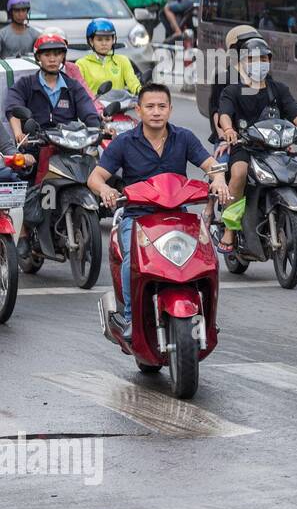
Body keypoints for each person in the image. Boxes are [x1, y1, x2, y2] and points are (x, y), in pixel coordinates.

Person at [88, 83, 229, 334]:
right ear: (139, 110)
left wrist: (218, 179)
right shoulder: (124, 142)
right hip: (138, 217)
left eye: (162, 106)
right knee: (133, 259)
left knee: (208, 258)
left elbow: (211, 164)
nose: (156, 112)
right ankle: (131, 318)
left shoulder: (183, 137)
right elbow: (95, 177)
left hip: (179, 217)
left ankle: (209, 319)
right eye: (150, 106)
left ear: (170, 110)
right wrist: (106, 190)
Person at [215, 36, 297, 251]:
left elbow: (294, 113)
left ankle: (295, 217)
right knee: (239, 173)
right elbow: (224, 115)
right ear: (243, 62)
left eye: (264, 58)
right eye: (254, 59)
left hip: (278, 147)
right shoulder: (233, 90)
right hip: (245, 146)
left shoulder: (278, 89)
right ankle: (230, 228)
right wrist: (228, 130)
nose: (259, 63)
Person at [6, 34, 104, 257]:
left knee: (90, 169)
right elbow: (13, 107)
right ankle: (23, 231)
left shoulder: (72, 86)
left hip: (67, 144)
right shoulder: (27, 84)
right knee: (25, 181)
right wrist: (19, 132)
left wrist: (97, 127)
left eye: (57, 54)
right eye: (47, 54)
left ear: (63, 57)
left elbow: (88, 112)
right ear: (38, 58)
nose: (52, 59)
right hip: (35, 144)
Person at [76, 18, 142, 97]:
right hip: (94, 108)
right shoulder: (81, 64)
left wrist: (142, 92)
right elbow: (79, 91)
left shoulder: (123, 60)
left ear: (113, 40)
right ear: (91, 41)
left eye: (108, 39)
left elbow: (133, 83)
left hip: (120, 106)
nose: (104, 43)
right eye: (99, 40)